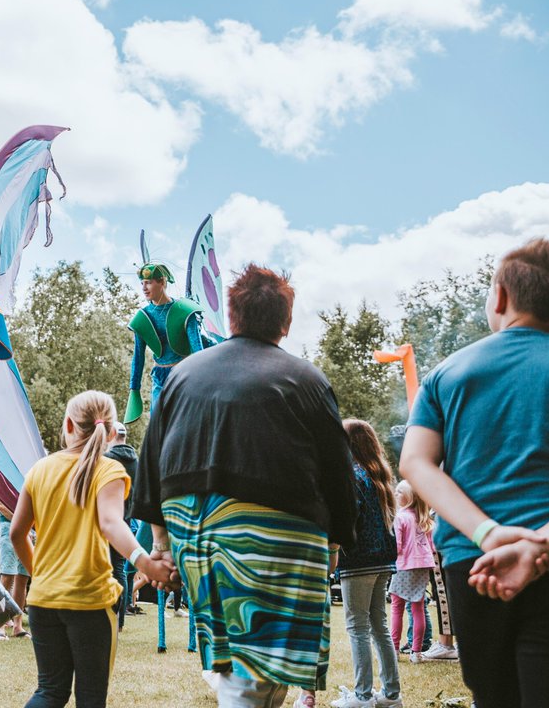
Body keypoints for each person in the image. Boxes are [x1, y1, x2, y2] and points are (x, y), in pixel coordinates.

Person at [132, 264, 358, 708]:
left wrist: (160, 542)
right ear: (286, 322)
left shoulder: (181, 377)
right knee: (258, 665)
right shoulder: (306, 379)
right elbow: (338, 469)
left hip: (195, 530)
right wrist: (335, 544)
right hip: (283, 530)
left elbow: (150, 459)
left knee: (245, 664)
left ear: (230, 319)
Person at [400, 236, 549, 708]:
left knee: (493, 694)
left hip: (474, 561)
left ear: (501, 297)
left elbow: (416, 463)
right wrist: (538, 543)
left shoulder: (448, 372)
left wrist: (489, 535)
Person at [9, 391, 176, 708]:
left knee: (50, 691)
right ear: (112, 432)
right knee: (90, 698)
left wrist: (40, 575)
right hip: (89, 601)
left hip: (43, 600)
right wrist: (146, 563)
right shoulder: (109, 471)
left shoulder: (39, 470)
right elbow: (111, 524)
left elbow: (18, 533)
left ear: (68, 424)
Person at [325, 419, 402, 708]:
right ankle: (392, 695)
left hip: (357, 561)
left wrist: (332, 543)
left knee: (357, 627)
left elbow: (347, 519)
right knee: (379, 626)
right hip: (383, 560)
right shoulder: (379, 475)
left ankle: (363, 696)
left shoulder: (352, 477)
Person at [123, 262, 205, 423]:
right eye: (142, 283)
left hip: (184, 374)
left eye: (149, 282)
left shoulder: (185, 311)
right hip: (159, 377)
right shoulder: (143, 318)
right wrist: (134, 389)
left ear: (162, 282)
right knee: (158, 425)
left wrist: (204, 380)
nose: (144, 287)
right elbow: (138, 358)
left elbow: (198, 351)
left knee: (186, 421)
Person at [389, 481, 434, 663]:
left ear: (408, 497)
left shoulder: (400, 517)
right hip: (423, 566)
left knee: (397, 607)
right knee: (418, 607)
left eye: (399, 492)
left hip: (404, 566)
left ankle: (393, 649)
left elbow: (397, 546)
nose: (396, 494)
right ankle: (416, 652)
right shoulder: (424, 519)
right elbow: (432, 546)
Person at [104, 421, 139, 631]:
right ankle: (120, 620)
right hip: (126, 520)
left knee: (105, 568)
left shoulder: (107, 459)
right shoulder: (136, 461)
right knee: (120, 570)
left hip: (107, 519)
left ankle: (107, 615)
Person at [0, 501, 30, 640]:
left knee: (22, 577)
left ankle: (18, 625)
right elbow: (0, 504)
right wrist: (23, 519)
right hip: (9, 527)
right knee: (7, 576)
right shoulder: (2, 478)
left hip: (29, 529)